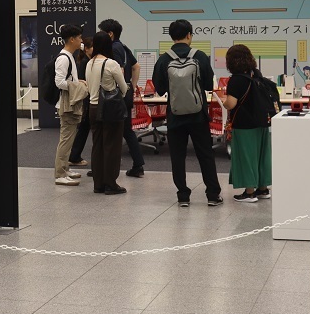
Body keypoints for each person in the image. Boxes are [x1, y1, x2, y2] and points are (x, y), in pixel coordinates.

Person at [151, 19, 222, 207]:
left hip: (174, 115)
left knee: (177, 156)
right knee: (205, 154)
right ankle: (213, 195)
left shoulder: (164, 59)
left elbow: (159, 89)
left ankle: (183, 196)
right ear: (189, 35)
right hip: (198, 115)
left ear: (171, 36)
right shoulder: (199, 56)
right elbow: (208, 85)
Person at [221, 44, 271, 203]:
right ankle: (263, 189)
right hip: (262, 122)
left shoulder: (236, 80)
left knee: (247, 156)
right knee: (261, 155)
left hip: (244, 125)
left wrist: (224, 101)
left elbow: (231, 104)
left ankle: (249, 192)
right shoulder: (256, 74)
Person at [98, 19, 146, 178]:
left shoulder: (112, 49)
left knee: (112, 131)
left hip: (115, 96)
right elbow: (136, 66)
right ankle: (138, 165)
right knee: (127, 130)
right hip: (126, 93)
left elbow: (118, 70)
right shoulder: (124, 47)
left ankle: (106, 167)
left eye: (102, 32)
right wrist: (132, 85)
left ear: (110, 34)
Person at [86, 31, 128, 195]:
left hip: (93, 107)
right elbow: (123, 89)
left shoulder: (89, 63)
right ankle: (110, 183)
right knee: (112, 146)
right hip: (110, 108)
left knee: (97, 146)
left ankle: (98, 184)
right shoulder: (111, 64)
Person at [53, 25, 87, 186]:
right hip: (66, 105)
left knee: (69, 138)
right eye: (79, 38)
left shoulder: (70, 56)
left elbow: (67, 80)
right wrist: (77, 86)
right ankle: (60, 174)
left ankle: (65, 169)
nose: (81, 41)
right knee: (66, 140)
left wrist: (76, 82)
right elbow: (59, 82)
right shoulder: (63, 58)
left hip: (70, 103)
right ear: (72, 39)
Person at [68, 36, 93, 168]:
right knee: (84, 128)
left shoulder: (87, 60)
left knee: (84, 128)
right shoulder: (84, 62)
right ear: (87, 48)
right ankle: (74, 156)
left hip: (87, 100)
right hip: (86, 100)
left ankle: (74, 155)